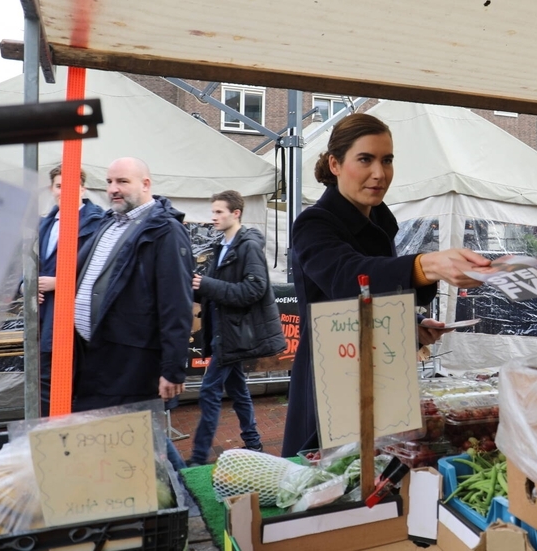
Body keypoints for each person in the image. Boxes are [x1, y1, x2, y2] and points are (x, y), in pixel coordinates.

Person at [282, 114, 489, 457]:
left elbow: (373, 300)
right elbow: (350, 278)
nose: (379, 173)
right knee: (332, 479)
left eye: (387, 160)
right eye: (365, 159)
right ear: (335, 164)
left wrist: (413, 326)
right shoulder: (314, 223)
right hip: (335, 376)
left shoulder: (378, 217)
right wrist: (429, 264)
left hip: (383, 370)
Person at [73, 157, 192, 472]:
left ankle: (186, 505)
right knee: (126, 440)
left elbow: (176, 302)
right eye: (110, 182)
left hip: (131, 362)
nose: (113, 189)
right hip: (95, 357)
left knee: (137, 442)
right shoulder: (108, 223)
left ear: (145, 184)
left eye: (122, 182)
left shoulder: (165, 230)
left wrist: (172, 369)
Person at [187, 190, 285, 467]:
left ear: (236, 213)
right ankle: (253, 442)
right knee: (238, 389)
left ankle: (197, 456)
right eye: (213, 211)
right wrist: (194, 288)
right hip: (225, 332)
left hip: (233, 335)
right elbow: (218, 291)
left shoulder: (248, 246)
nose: (213, 217)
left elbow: (254, 289)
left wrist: (206, 285)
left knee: (208, 391)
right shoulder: (222, 247)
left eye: (219, 212)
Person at [36, 165, 103, 417]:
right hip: (44, 321)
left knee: (76, 386)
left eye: (70, 186)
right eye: (59, 186)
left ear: (82, 188)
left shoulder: (97, 224)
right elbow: (29, 265)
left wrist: (60, 283)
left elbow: (100, 273)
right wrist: (28, 286)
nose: (64, 192)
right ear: (52, 189)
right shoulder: (43, 225)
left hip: (78, 324)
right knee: (44, 385)